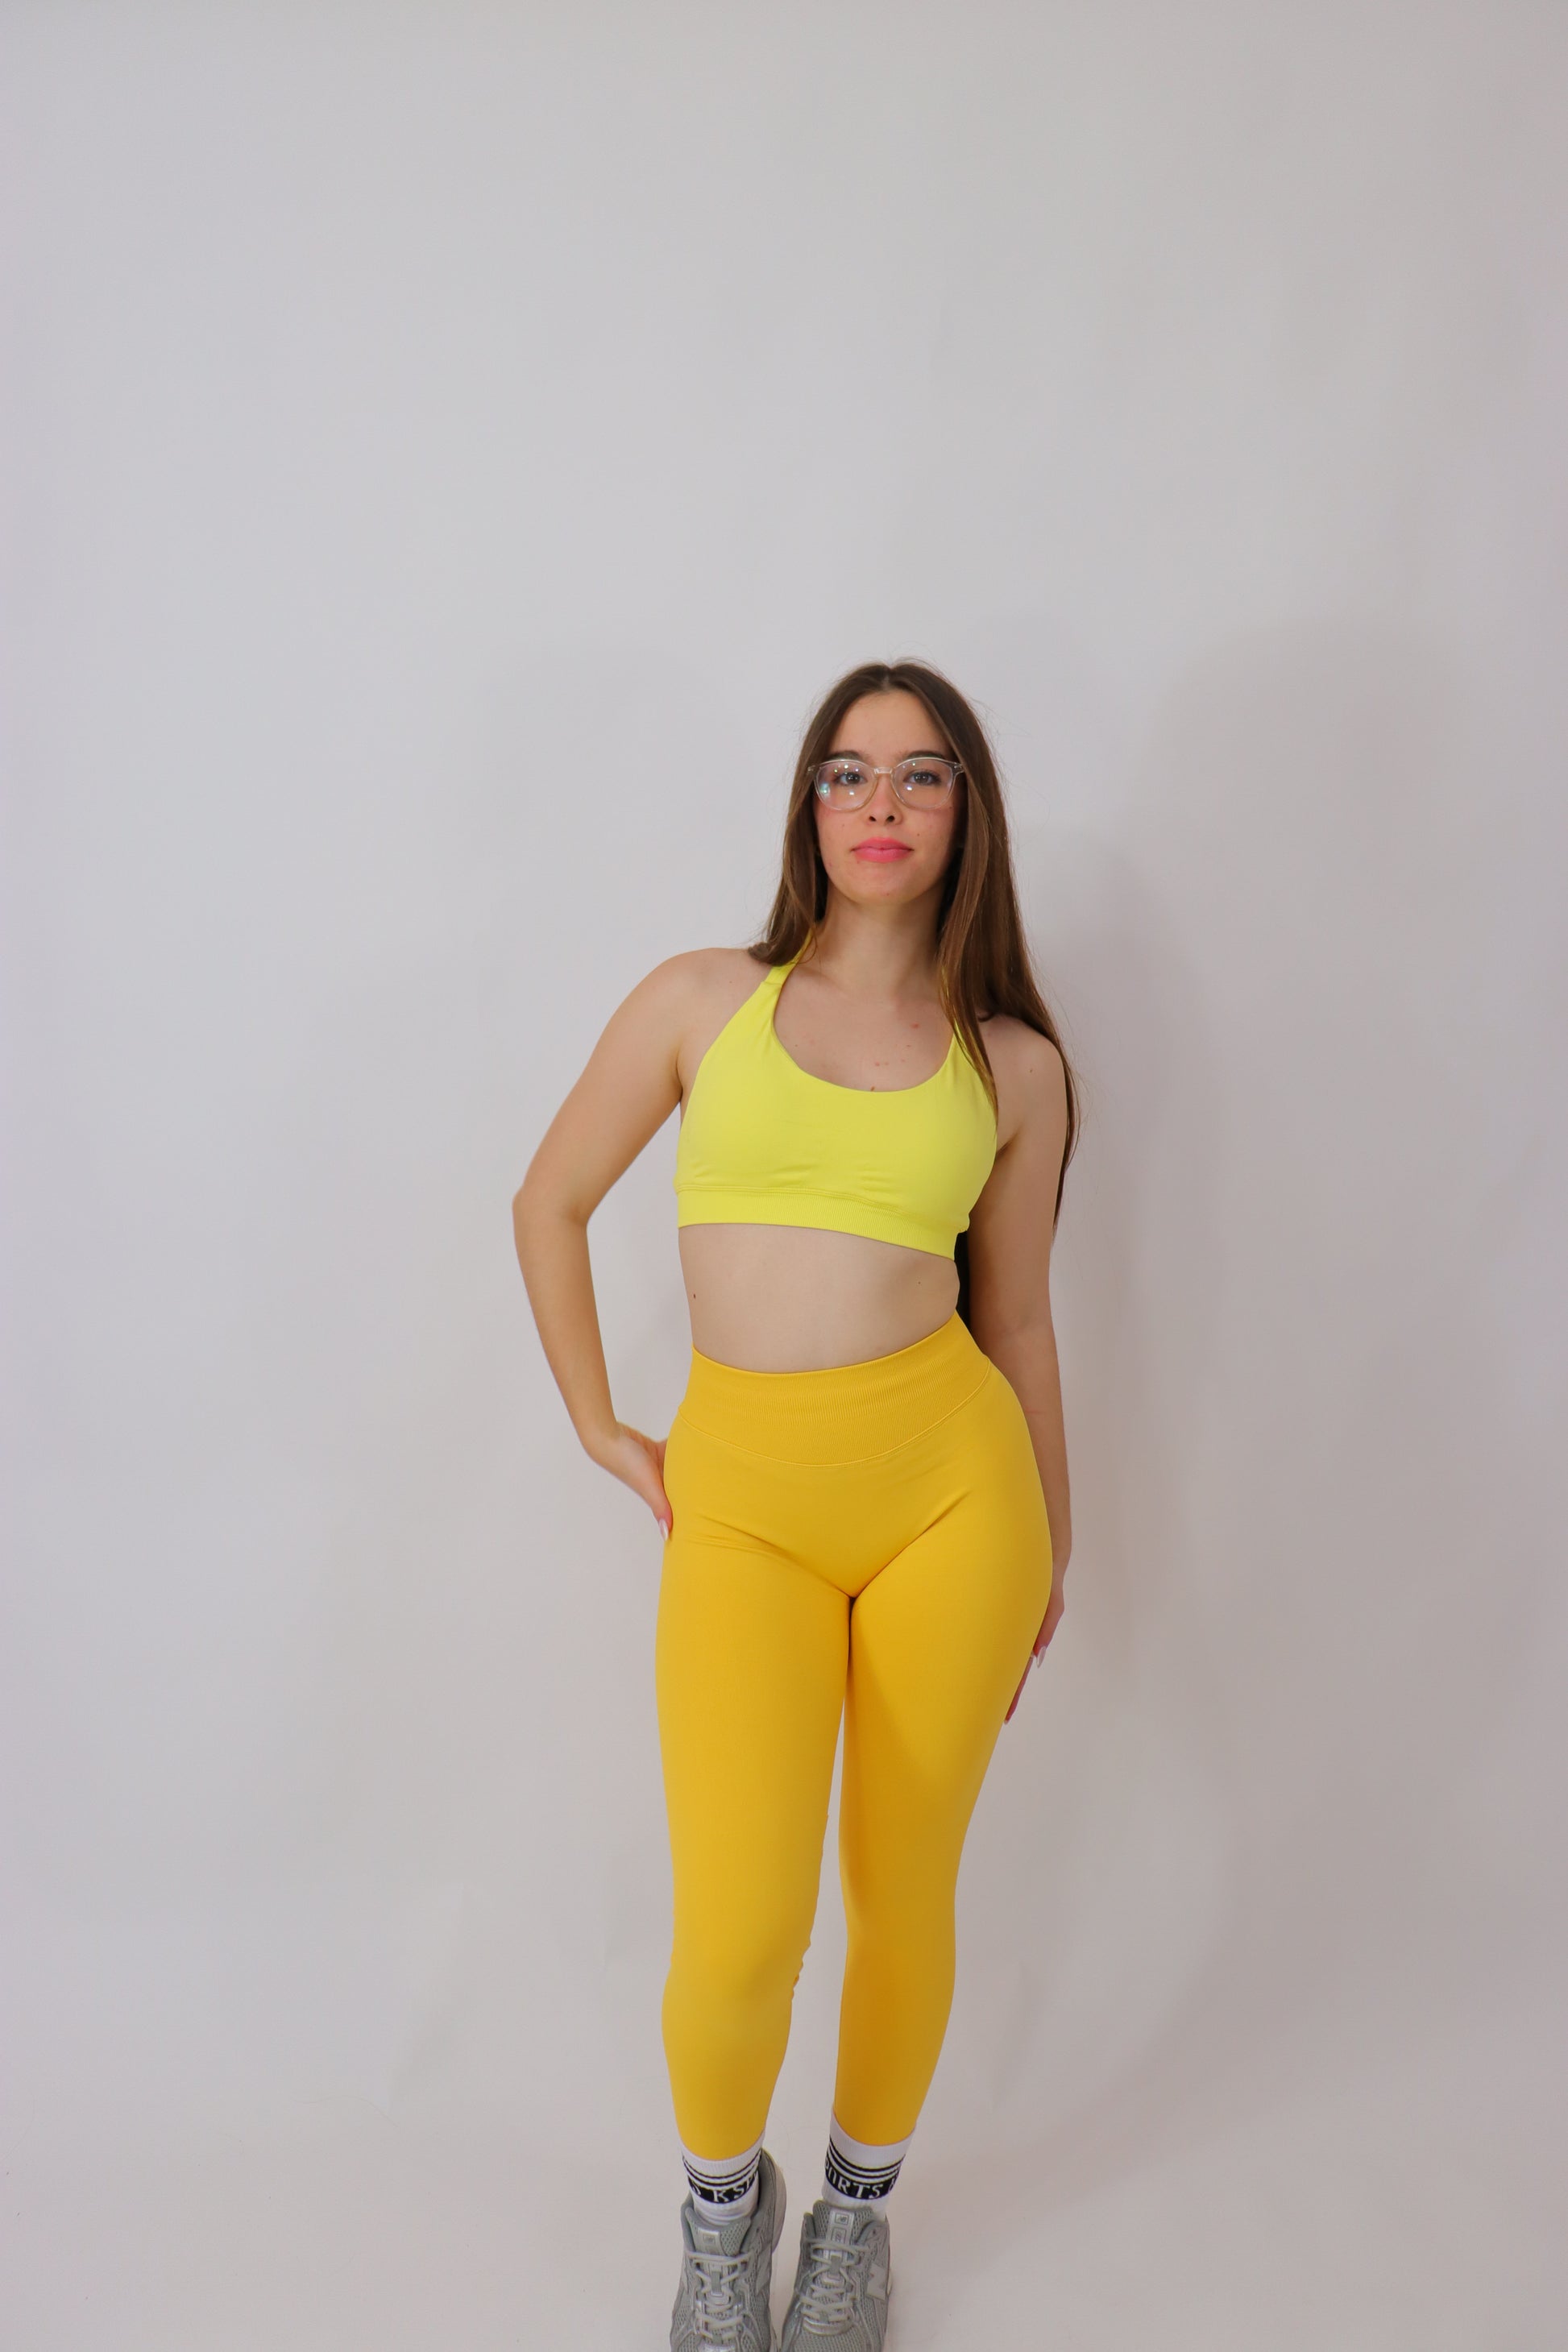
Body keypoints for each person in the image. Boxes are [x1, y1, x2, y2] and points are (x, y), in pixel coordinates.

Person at [512, 659, 1078, 2350]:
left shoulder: (1012, 1066)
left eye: (918, 773)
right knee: (741, 1928)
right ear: (808, 808)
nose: (879, 803)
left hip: (951, 1502)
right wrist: (604, 1427)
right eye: (846, 772)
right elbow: (548, 1200)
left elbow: (1020, 1321)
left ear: (966, 810)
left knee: (903, 1895)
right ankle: (719, 2219)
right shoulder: (703, 1001)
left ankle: (853, 2218)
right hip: (743, 1505)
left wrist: (1053, 1544)